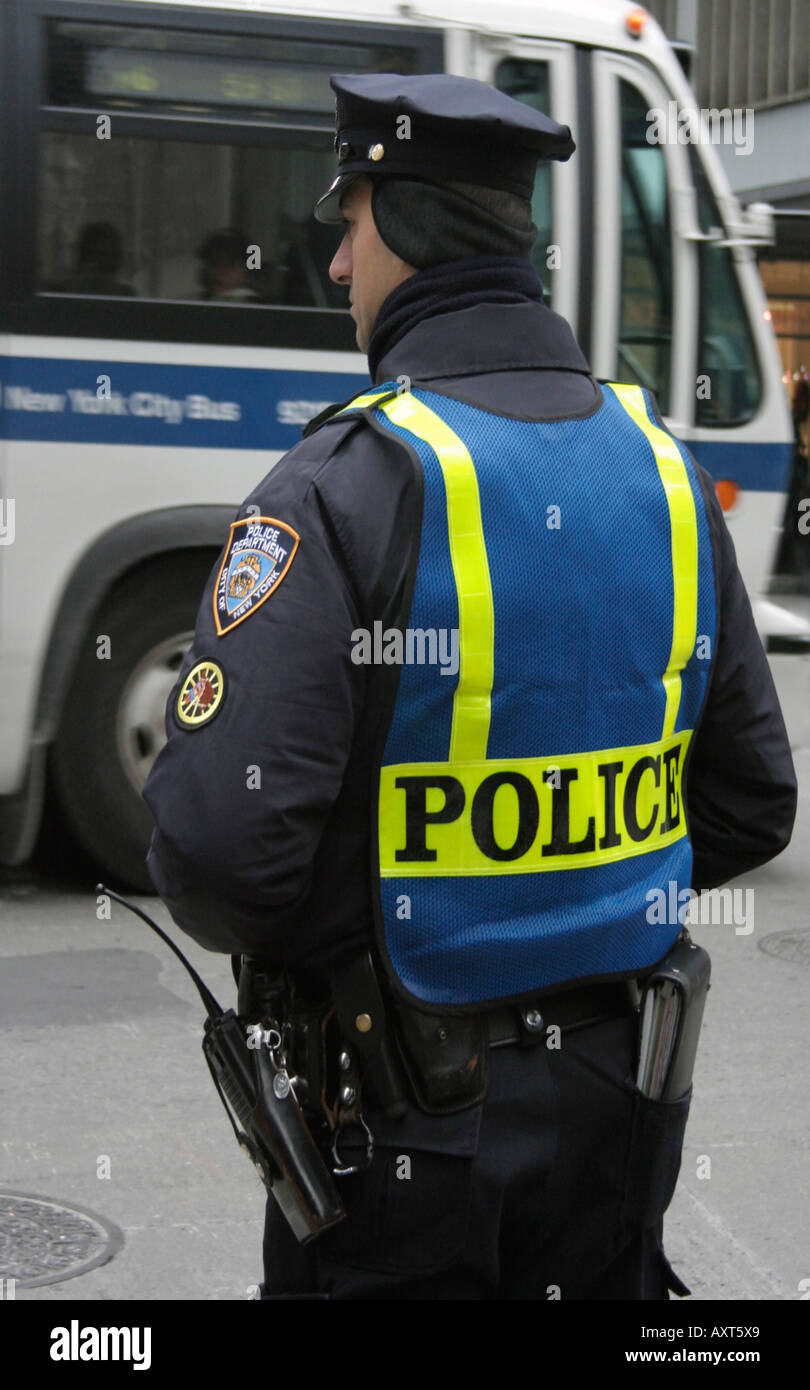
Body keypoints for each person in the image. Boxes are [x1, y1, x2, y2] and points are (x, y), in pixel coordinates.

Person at [142, 73, 797, 1300]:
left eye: (348, 227)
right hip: (621, 1119)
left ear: (399, 225)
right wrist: (575, 898)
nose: (339, 269)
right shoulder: (665, 475)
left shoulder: (333, 488)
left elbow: (222, 856)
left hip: (401, 1144)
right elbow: (752, 803)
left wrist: (389, 935)